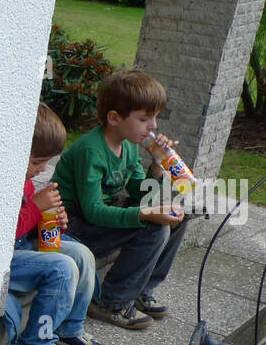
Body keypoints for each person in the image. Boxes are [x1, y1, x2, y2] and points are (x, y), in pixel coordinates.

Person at [50, 69, 187, 330]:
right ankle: (109, 302)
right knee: (155, 229)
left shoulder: (129, 145)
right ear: (114, 118)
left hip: (99, 214)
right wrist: (144, 215)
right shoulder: (91, 150)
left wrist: (158, 166)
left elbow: (141, 194)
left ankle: (142, 289)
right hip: (73, 225)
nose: (154, 126)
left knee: (177, 215)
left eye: (155, 117)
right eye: (145, 118)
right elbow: (93, 212)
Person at [6, 103, 108, 345]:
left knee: (81, 254)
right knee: (62, 268)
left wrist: (51, 223)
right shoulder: (1, 182)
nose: (41, 169)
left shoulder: (26, 181)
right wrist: (35, 208)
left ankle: (69, 328)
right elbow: (2, 235)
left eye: (45, 163)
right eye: (36, 162)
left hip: (21, 247)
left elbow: (26, 229)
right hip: (1, 259)